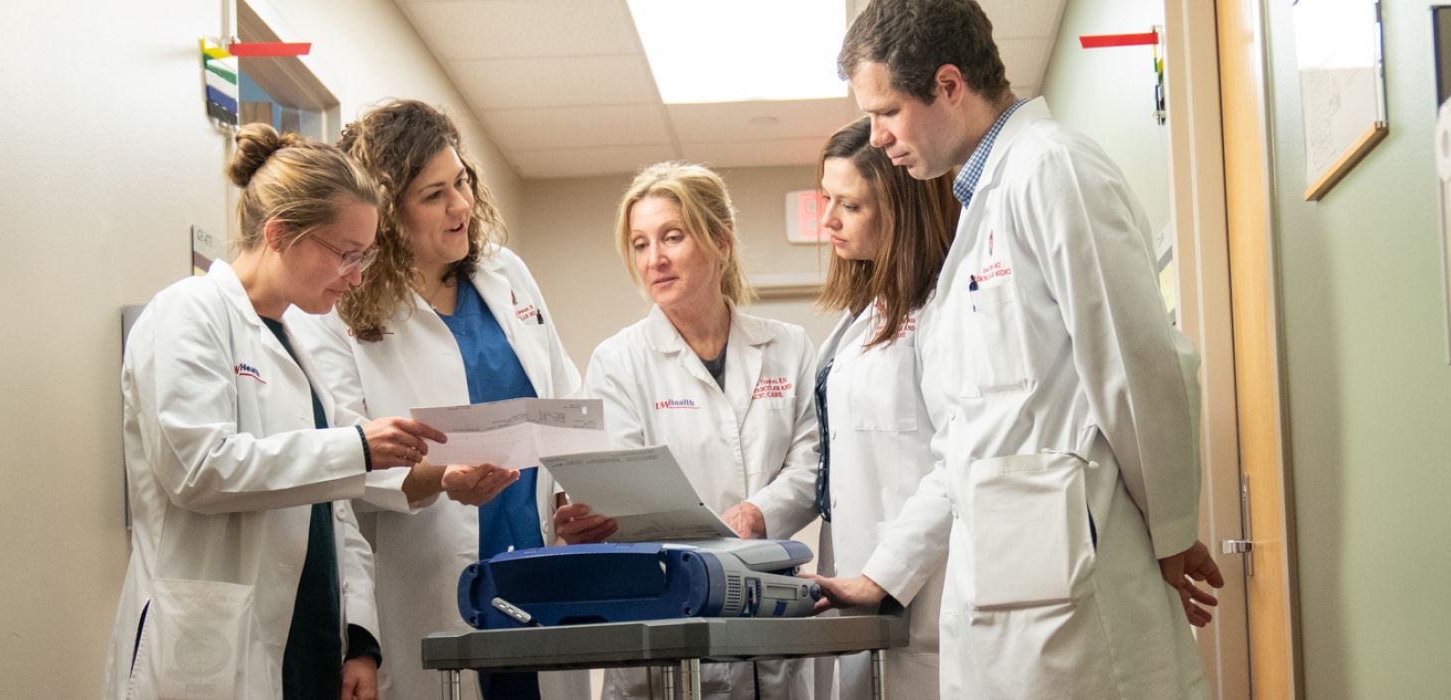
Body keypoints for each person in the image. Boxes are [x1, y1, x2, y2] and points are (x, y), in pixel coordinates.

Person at [811, 0, 1224, 697]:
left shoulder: (1052, 168)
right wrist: (879, 575)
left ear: (948, 85)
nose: (876, 138)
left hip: (1079, 601)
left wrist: (1173, 534)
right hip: (1007, 591)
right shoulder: (979, 207)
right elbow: (967, 437)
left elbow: (1138, 363)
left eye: (886, 113)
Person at [104, 123, 450, 700]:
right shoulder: (186, 315)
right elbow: (197, 470)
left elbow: (335, 508)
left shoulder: (297, 341)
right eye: (347, 254)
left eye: (366, 256)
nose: (358, 276)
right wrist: (356, 446)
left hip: (309, 640)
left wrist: (359, 638)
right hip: (211, 645)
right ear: (280, 234)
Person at [290, 99, 590, 700]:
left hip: (535, 564)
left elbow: (566, 400)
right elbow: (345, 458)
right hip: (427, 580)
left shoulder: (506, 275)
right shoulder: (337, 310)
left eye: (461, 183)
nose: (460, 206)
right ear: (387, 215)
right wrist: (440, 478)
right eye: (433, 195)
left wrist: (574, 497)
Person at [560, 161, 820, 699]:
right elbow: (623, 486)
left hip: (765, 605)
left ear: (720, 241)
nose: (653, 259)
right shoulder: (619, 361)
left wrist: (760, 512)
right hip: (663, 604)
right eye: (639, 244)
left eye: (672, 237)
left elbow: (811, 462)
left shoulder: (788, 346)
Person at [808, 118, 958, 699]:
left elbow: (956, 460)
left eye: (850, 205)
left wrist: (884, 573)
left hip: (925, 598)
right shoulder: (865, 318)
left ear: (899, 210)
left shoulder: (942, 311)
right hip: (869, 593)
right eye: (828, 199)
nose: (828, 220)